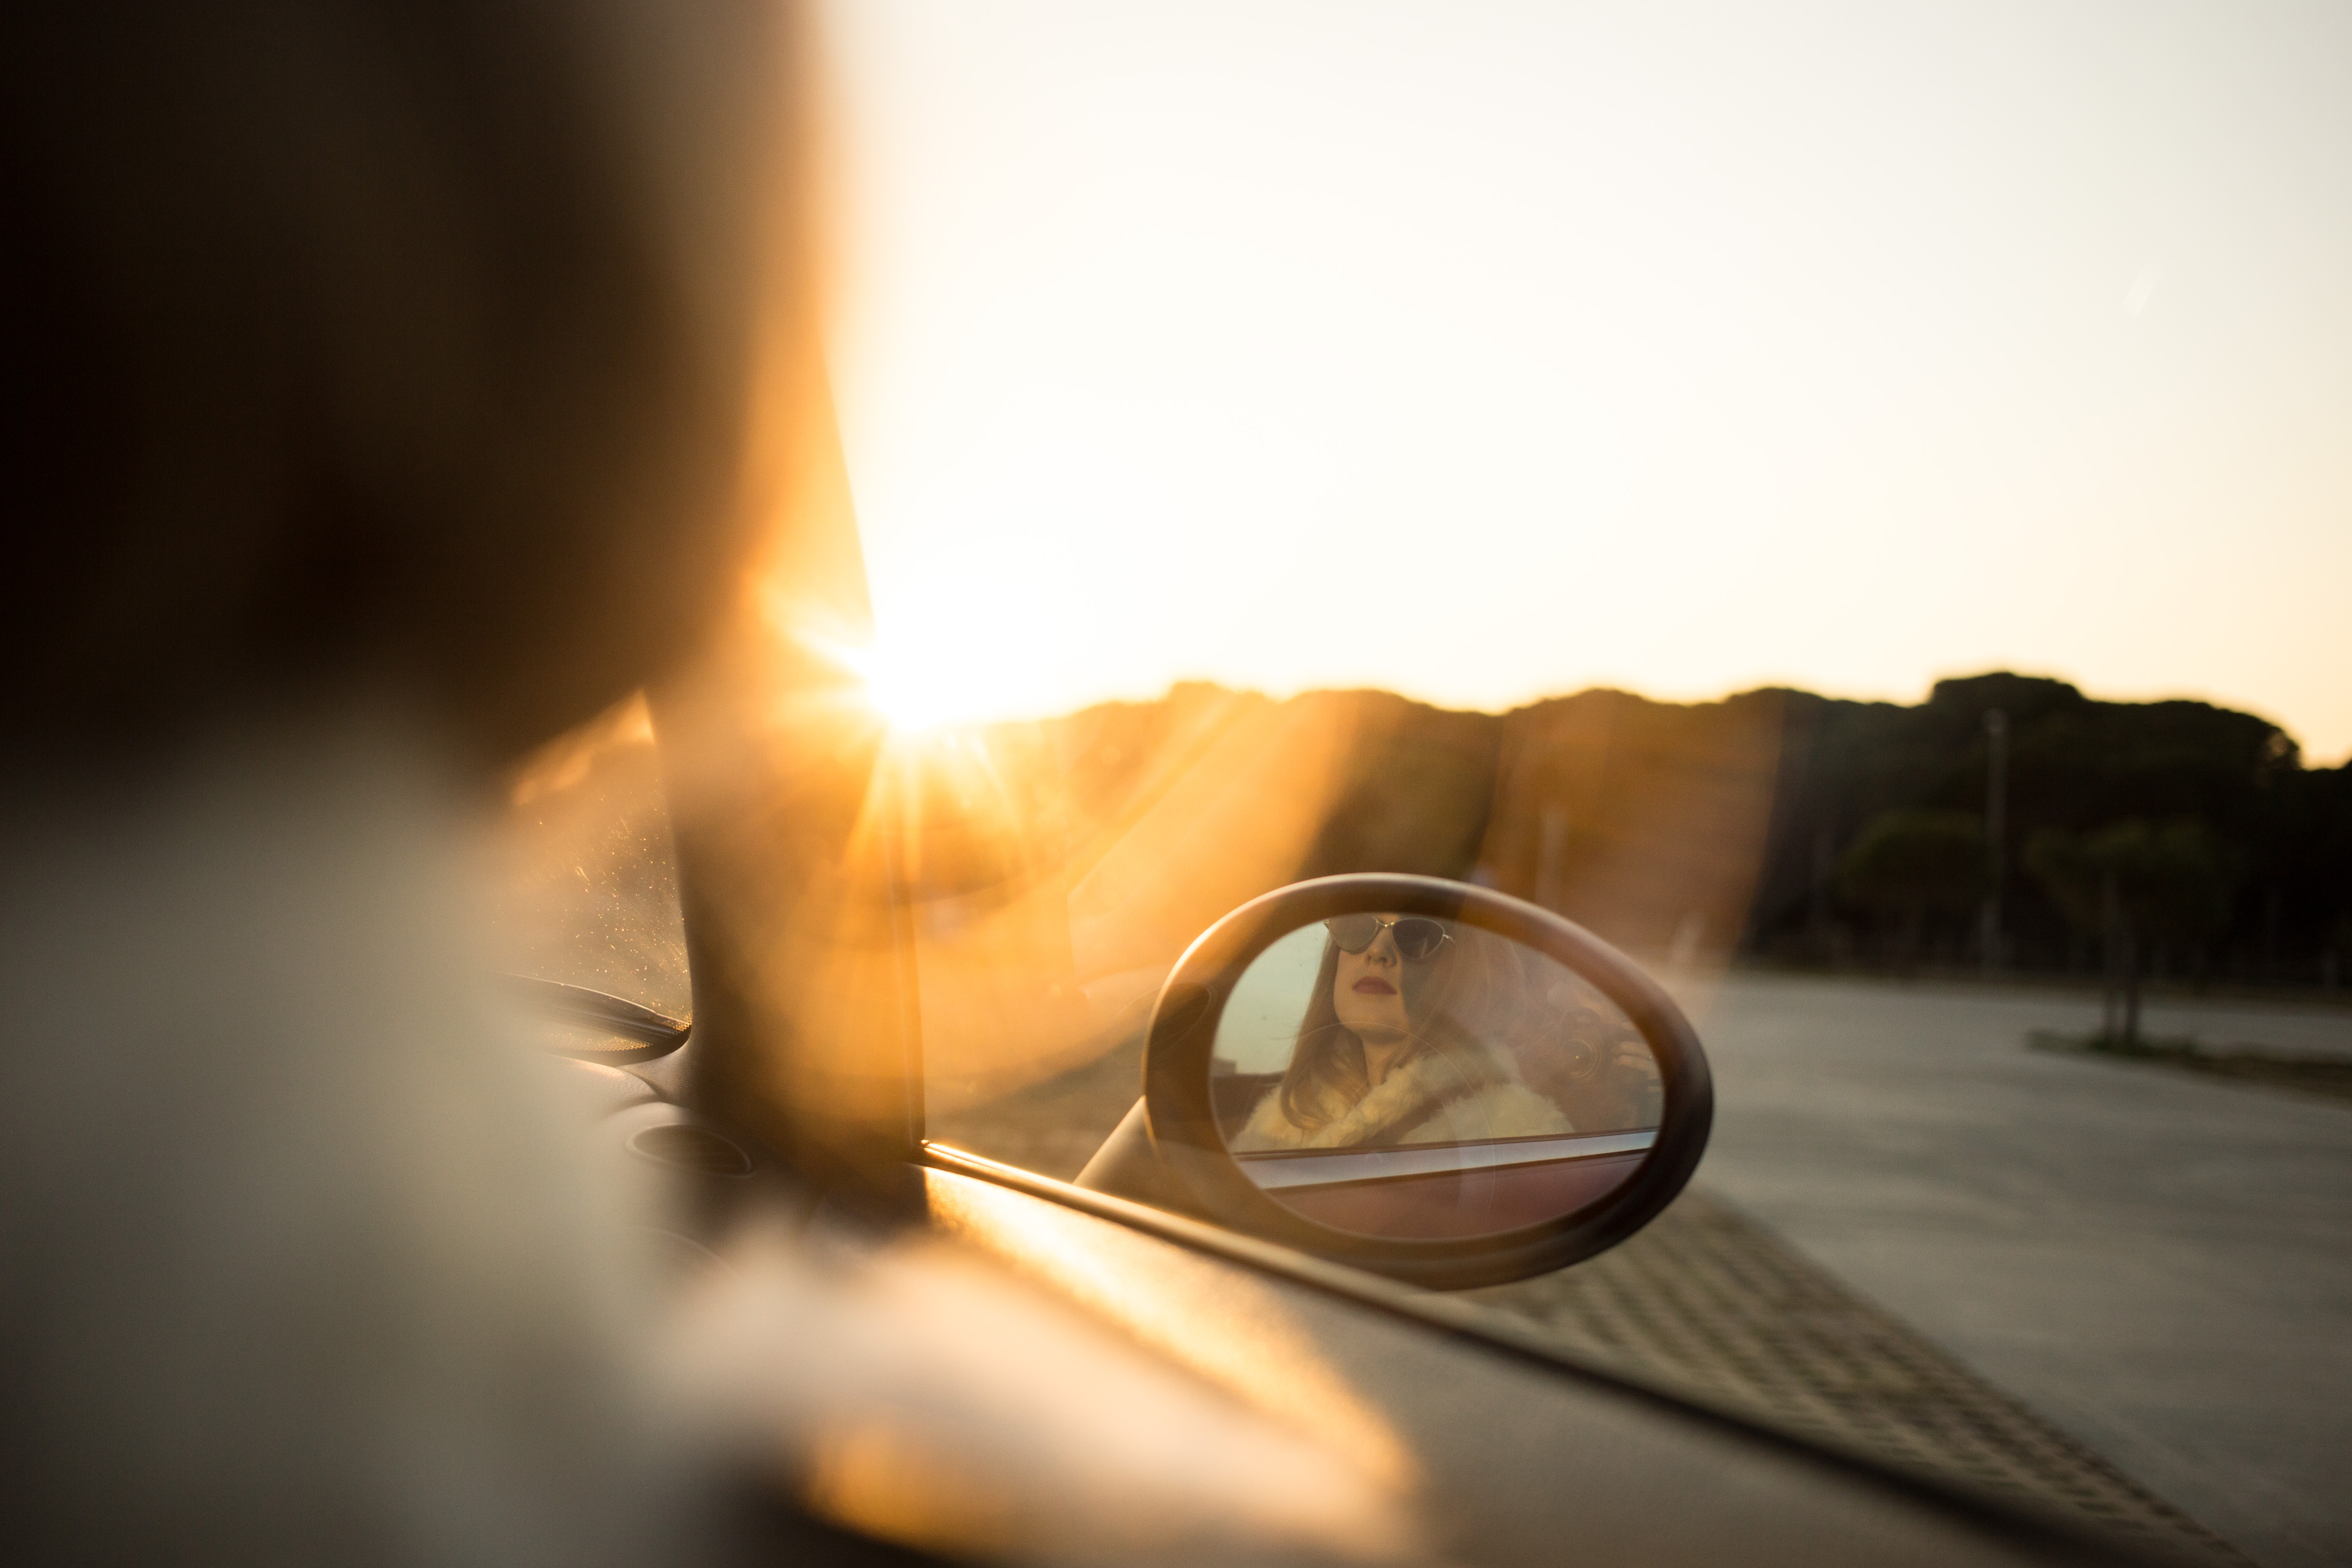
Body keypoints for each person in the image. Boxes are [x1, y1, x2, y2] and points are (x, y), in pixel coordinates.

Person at [1231, 915, 1574, 1151]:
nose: (1377, 950)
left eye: (1416, 936)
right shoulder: (1283, 1118)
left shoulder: (1519, 1134)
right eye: (1356, 927)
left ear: (1464, 971)